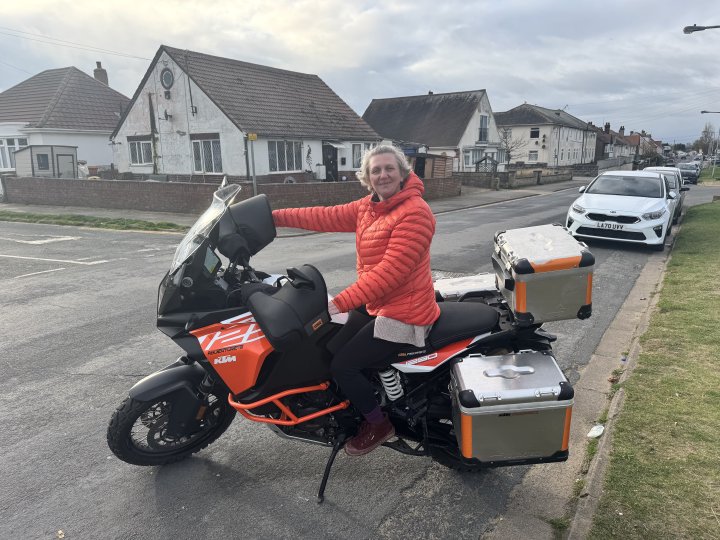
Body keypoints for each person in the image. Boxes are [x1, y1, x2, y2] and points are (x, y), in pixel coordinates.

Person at [272, 145, 440, 455]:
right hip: (379, 304)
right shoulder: (369, 207)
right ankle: (352, 407)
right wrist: (272, 218)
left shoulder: (416, 212)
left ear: (403, 173)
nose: (383, 174)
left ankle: (378, 423)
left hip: (405, 313)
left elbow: (389, 274)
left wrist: (338, 303)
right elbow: (324, 216)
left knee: (344, 365)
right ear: (367, 178)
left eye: (389, 168)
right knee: (327, 343)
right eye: (375, 170)